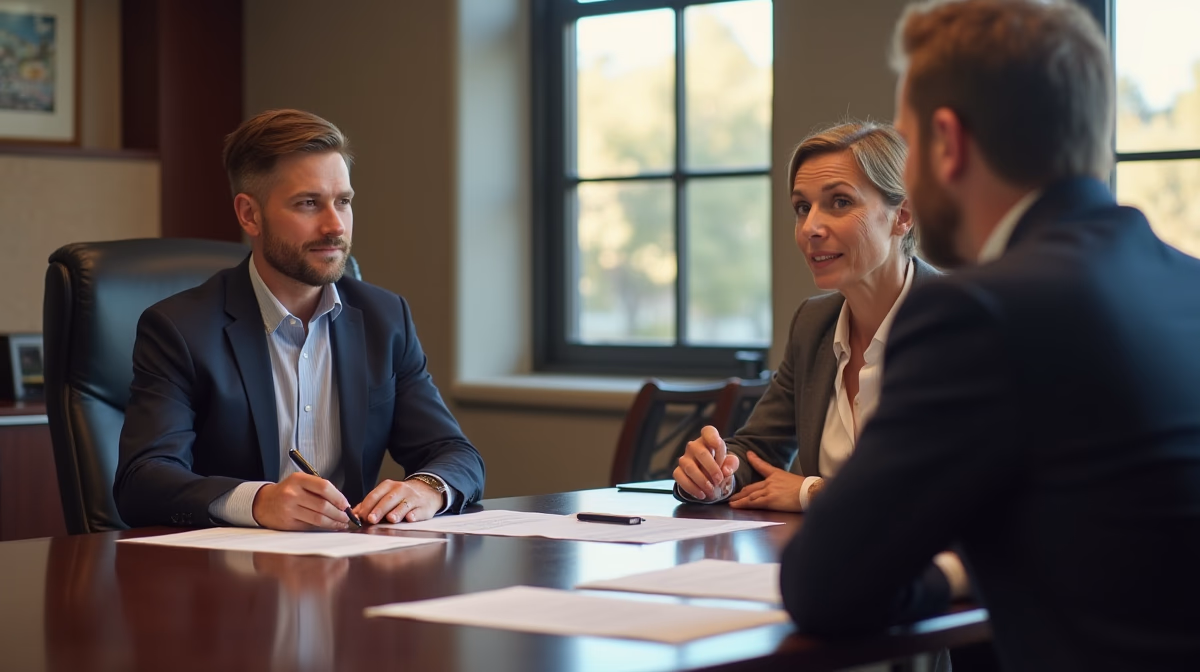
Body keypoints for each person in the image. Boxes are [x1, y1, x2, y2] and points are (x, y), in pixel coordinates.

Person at [781, 1, 1200, 669]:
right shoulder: (1188, 284)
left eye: (910, 146)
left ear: (947, 143)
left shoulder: (977, 313)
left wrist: (951, 569)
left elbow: (823, 586)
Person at [114, 109, 485, 530]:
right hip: (229, 575)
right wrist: (258, 502)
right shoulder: (179, 329)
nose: (334, 226)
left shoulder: (384, 318)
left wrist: (427, 488)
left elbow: (456, 453)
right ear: (249, 215)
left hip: (355, 566)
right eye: (308, 203)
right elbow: (142, 482)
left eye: (343, 202)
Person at [672, 121, 939, 515]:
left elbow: (947, 490)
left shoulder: (960, 323)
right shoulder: (814, 323)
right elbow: (759, 450)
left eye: (840, 202)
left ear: (902, 216)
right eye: (802, 207)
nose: (810, 227)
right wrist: (716, 474)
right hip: (824, 564)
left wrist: (811, 492)